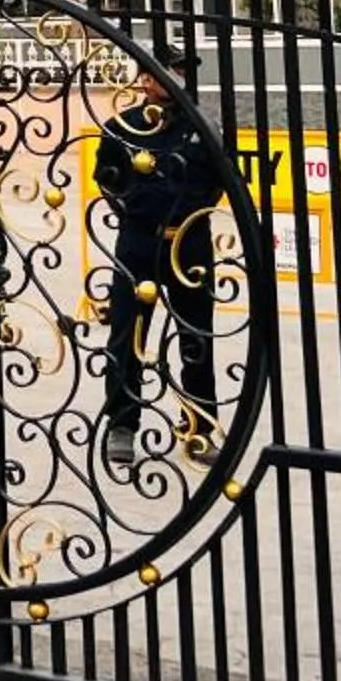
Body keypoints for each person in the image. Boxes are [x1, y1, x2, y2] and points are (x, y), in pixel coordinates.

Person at [95, 46, 225, 472]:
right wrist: (136, 201)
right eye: (157, 72)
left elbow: (222, 180)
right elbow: (107, 176)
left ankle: (201, 428)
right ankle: (122, 426)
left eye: (174, 72)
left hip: (189, 246)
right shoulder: (123, 126)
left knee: (195, 338)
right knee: (127, 335)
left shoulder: (203, 127)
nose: (158, 80)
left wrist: (188, 211)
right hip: (139, 243)